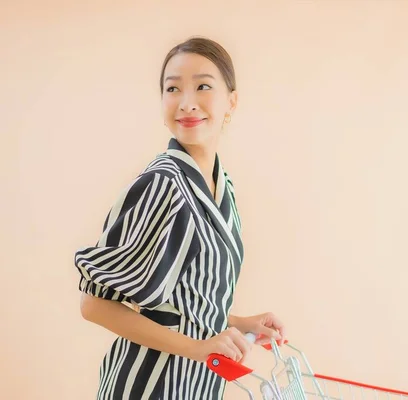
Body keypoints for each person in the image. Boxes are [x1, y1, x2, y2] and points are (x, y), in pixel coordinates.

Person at [75, 36, 286, 400]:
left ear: (231, 101)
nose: (187, 103)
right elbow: (94, 304)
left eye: (203, 86)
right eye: (173, 89)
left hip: (196, 386)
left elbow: (181, 301)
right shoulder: (162, 184)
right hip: (150, 386)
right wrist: (197, 348)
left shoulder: (222, 187)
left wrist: (236, 321)